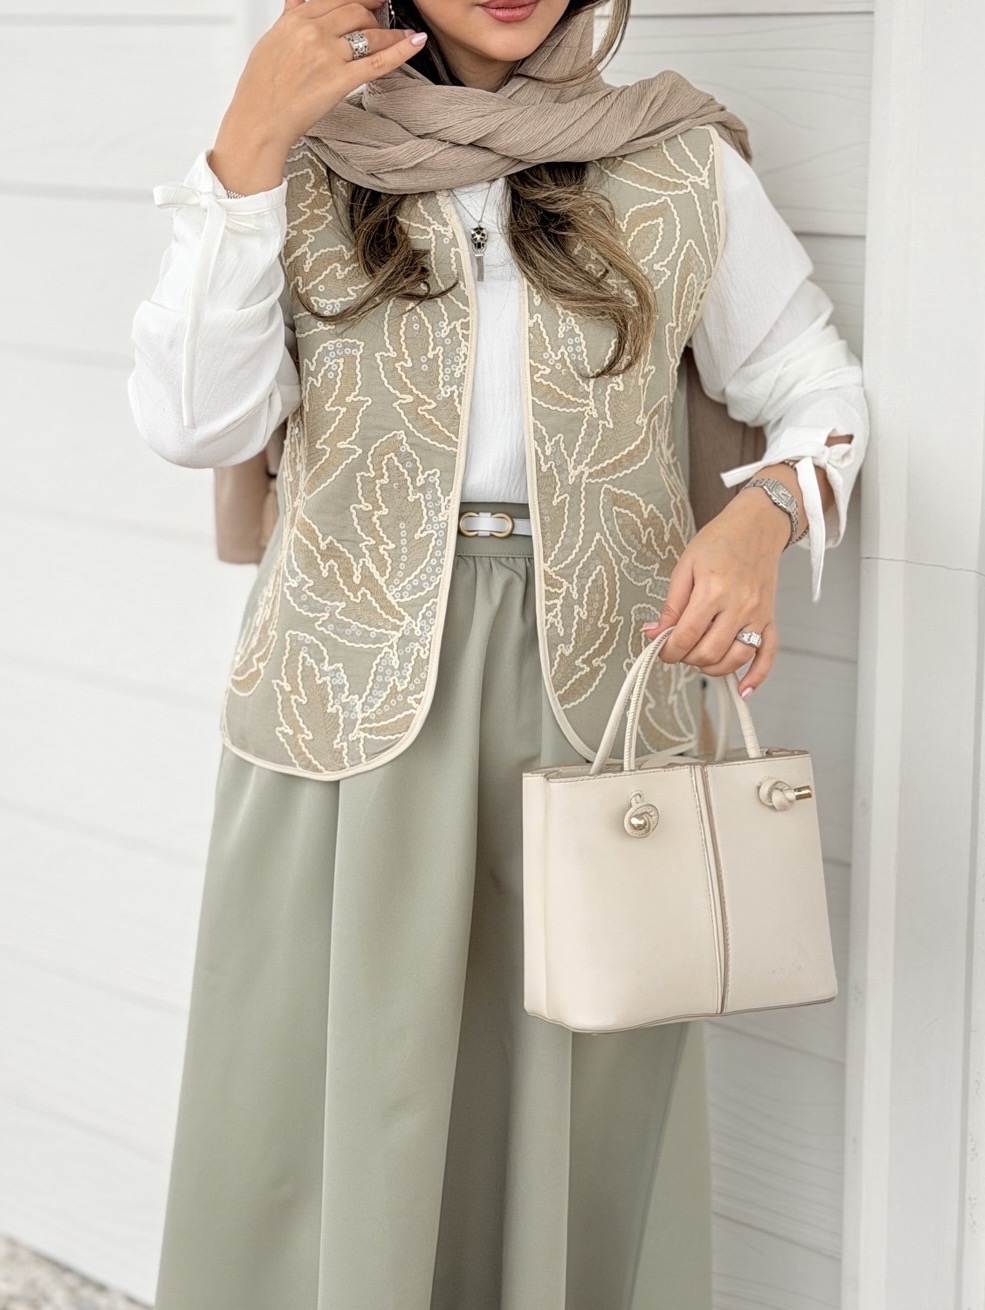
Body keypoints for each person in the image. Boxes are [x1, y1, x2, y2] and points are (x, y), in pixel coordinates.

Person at [127, 1, 868, 1306]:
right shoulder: (305, 159)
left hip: (596, 690)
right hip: (345, 692)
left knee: (574, 1099)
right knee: (322, 1092)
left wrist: (759, 520)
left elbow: (817, 389)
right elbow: (194, 424)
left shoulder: (673, 157)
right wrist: (247, 143)